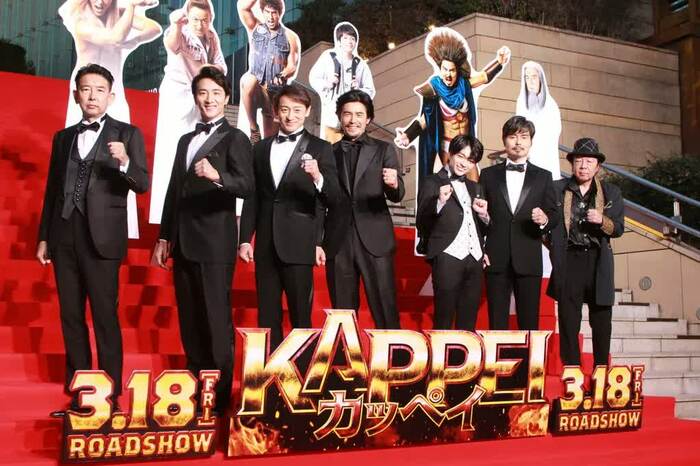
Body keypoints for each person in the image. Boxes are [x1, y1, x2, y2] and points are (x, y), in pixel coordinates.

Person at [36, 64, 149, 416]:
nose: (92, 96)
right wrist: (44, 237)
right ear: (76, 95)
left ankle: (110, 396)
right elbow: (52, 190)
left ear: (111, 96)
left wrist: (125, 161)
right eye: (86, 89)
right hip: (64, 234)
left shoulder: (127, 133)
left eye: (99, 90)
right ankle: (80, 394)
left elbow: (142, 183)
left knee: (104, 316)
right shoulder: (63, 138)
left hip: (103, 239)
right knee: (71, 316)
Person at [153, 67, 255, 414]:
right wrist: (164, 236)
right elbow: (174, 191)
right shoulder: (186, 140)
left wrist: (217, 176)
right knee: (191, 320)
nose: (208, 99)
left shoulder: (235, 138)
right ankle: (196, 390)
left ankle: (219, 397)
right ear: (195, 97)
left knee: (215, 319)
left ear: (226, 98)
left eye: (215, 93)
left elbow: (247, 186)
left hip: (214, 242)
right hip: (183, 241)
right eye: (202, 93)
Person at [239, 85, 341, 350]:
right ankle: (270, 369)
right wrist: (245, 238)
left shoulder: (321, 147)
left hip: (300, 243)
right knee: (267, 316)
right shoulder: (260, 149)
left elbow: (333, 197)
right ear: (275, 112)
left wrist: (318, 177)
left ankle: (302, 368)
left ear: (307, 111)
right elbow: (252, 197)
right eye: (284, 109)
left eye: (297, 110)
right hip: (265, 245)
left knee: (301, 316)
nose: (290, 116)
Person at [59, 0, 162, 238]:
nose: (100, 2)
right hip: (86, 94)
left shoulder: (119, 13)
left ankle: (115, 226)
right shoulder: (80, 19)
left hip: (115, 93)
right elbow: (114, 39)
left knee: (121, 159)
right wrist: (132, 12)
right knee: (75, 160)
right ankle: (70, 218)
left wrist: (132, 36)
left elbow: (154, 28)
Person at [322, 90, 405, 329]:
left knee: (385, 309)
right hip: (338, 240)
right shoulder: (328, 152)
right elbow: (322, 196)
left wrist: (394, 183)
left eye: (359, 114)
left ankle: (393, 353)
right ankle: (345, 354)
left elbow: (397, 195)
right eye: (347, 114)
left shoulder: (384, 149)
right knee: (342, 314)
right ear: (340, 117)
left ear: (368, 119)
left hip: (375, 238)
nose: (353, 120)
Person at [394, 27, 510, 183]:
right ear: (440, 69)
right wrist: (408, 135)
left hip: (467, 149)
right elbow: (425, 119)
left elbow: (484, 77)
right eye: (445, 69)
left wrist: (499, 62)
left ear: (457, 70)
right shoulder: (435, 88)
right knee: (442, 187)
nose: (448, 74)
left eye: (452, 70)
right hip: (446, 149)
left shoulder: (464, 85)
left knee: (475, 186)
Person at [547, 138, 624, 368]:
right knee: (569, 320)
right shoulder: (557, 189)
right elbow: (547, 223)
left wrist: (602, 220)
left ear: (597, 166)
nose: (583, 166)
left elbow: (618, 228)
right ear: (572, 164)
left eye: (589, 161)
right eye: (579, 161)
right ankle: (572, 369)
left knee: (602, 320)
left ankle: (601, 370)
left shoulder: (611, 192)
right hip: (569, 259)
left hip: (598, 259)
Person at [149, 0, 227, 224]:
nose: (201, 24)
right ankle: (163, 214)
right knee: (171, 151)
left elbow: (221, 66)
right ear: (187, 18)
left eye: (205, 20)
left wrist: (207, 69)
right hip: (177, 96)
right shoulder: (179, 30)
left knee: (195, 151)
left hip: (199, 100)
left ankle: (189, 205)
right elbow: (172, 46)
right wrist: (175, 25)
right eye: (196, 20)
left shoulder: (212, 36)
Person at [479, 116, 558, 330]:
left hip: (528, 256)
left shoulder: (543, 176)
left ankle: (528, 355)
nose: (518, 142)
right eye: (512, 136)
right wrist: (480, 248)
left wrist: (545, 219)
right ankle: (497, 355)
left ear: (531, 141)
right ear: (504, 140)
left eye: (524, 137)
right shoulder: (487, 175)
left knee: (529, 323)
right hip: (496, 256)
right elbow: (478, 216)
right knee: (496, 322)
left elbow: (554, 214)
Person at [416, 134, 489, 331]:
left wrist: (484, 216)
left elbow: (481, 227)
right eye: (461, 156)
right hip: (447, 256)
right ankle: (440, 353)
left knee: (469, 319)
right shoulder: (432, 182)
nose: (464, 164)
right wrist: (439, 202)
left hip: (475, 258)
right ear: (451, 153)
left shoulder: (476, 187)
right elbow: (421, 222)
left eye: (471, 160)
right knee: (444, 317)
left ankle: (466, 353)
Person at [237, 0, 301, 143]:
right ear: (262, 12)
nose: (270, 17)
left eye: (274, 13)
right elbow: (243, 8)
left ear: (280, 13)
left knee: (269, 141)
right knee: (248, 80)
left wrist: (282, 74)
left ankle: (265, 147)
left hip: (274, 90)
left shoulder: (290, 37)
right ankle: (254, 129)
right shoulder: (255, 27)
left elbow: (292, 65)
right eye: (267, 12)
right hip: (256, 85)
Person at [309, 22, 375, 144]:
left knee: (351, 147)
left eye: (352, 39)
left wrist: (359, 90)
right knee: (331, 147)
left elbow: (370, 90)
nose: (349, 42)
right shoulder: (328, 57)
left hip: (352, 117)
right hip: (331, 115)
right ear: (339, 40)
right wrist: (328, 83)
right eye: (345, 38)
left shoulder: (360, 64)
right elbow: (314, 78)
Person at [515, 61, 562, 180]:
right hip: (526, 154)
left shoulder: (550, 105)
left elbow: (554, 132)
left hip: (545, 154)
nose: (530, 81)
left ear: (540, 79)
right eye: (527, 77)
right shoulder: (521, 102)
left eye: (534, 77)